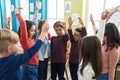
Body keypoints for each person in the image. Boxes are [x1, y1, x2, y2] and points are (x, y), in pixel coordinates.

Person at [14, 7, 38, 80]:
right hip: (28, 66)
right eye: (31, 31)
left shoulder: (32, 40)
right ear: (26, 31)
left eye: (34, 31)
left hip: (35, 66)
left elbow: (34, 22)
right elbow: (23, 24)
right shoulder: (24, 40)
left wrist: (36, 10)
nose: (33, 33)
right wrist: (16, 13)